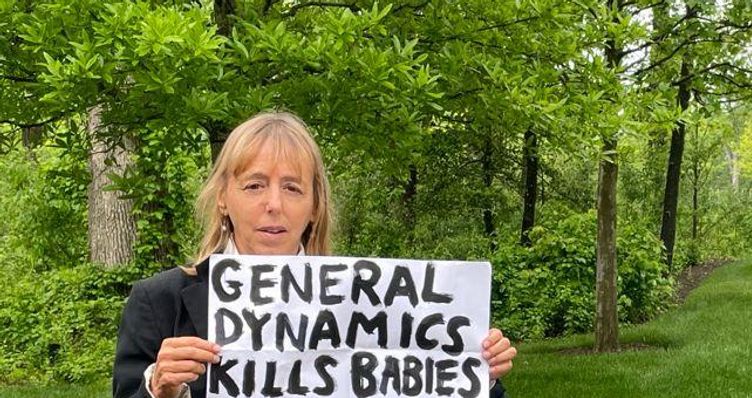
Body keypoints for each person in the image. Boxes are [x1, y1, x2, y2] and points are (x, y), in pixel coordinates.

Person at [112, 112, 516, 398]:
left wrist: (481, 371)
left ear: (314, 206)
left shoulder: (377, 303)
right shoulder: (159, 301)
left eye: (292, 187)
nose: (274, 204)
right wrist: (158, 390)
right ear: (223, 198)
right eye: (254, 186)